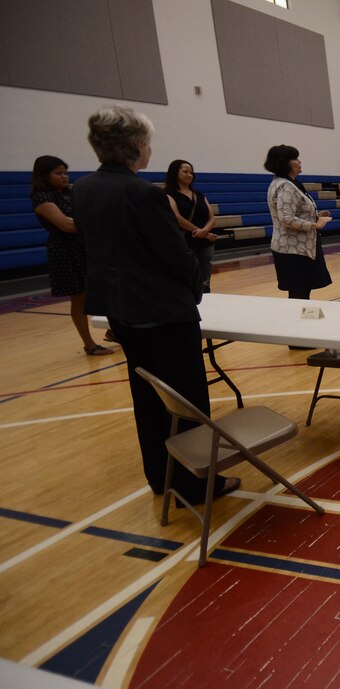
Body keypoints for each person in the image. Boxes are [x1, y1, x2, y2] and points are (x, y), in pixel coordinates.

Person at [71, 105, 238, 505]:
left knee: (147, 396)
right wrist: (195, 285)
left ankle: (161, 477)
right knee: (186, 400)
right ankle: (196, 485)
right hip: (162, 312)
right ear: (137, 146)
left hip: (120, 309)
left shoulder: (84, 188)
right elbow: (175, 255)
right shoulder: (143, 193)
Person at [30, 155, 114, 356]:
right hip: (66, 250)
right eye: (58, 173)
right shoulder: (42, 198)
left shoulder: (69, 193)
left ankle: (113, 331)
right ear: (44, 175)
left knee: (104, 290)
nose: (64, 177)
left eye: (65, 173)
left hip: (84, 246)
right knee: (79, 298)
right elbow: (66, 225)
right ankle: (89, 344)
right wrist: (98, 224)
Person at [265, 144, 332, 302]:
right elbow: (286, 218)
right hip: (293, 250)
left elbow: (293, 212)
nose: (299, 161)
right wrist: (316, 225)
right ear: (284, 163)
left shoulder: (288, 183)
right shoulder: (285, 186)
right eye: (295, 158)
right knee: (298, 294)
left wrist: (315, 216)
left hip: (300, 249)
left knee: (302, 293)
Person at [164, 159, 218, 292]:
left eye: (191, 172)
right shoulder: (168, 194)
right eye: (185, 172)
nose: (189, 175)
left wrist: (204, 231)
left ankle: (206, 296)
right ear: (175, 173)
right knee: (187, 277)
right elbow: (178, 218)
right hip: (184, 243)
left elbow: (211, 217)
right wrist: (202, 232)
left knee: (205, 278)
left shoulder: (199, 195)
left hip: (205, 244)